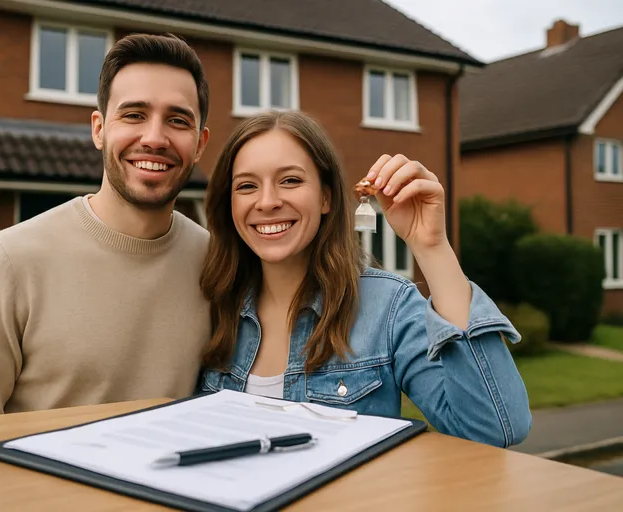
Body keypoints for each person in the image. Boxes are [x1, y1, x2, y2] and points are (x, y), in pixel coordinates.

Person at [197, 110, 532, 448]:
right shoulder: (210, 302)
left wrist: (432, 247)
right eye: (247, 186)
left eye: (291, 180)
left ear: (326, 196)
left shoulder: (387, 307)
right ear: (229, 203)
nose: (267, 201)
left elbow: (496, 428)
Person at [0, 33, 214, 419]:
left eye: (178, 120)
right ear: (98, 129)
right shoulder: (12, 261)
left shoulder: (215, 265)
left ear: (200, 144)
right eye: (134, 115)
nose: (154, 138)